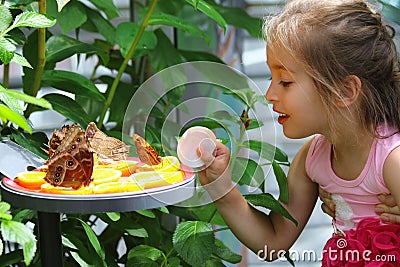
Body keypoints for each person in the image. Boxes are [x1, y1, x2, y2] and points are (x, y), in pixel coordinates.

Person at [197, 0, 400, 265]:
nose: (270, 95)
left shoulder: (390, 161)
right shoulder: (312, 158)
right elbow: (272, 242)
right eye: (271, 79)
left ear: (345, 91)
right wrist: (221, 186)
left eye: (286, 82)